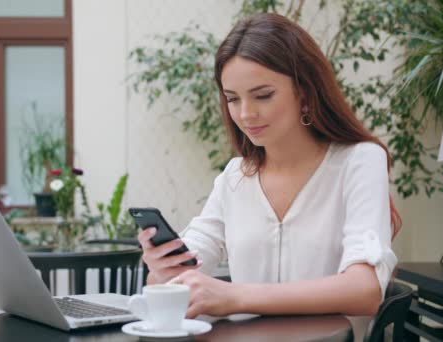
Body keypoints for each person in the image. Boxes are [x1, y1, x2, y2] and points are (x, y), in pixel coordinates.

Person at [137, 13, 401, 319]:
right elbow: (178, 275)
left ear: (304, 92)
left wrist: (235, 296)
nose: (246, 114)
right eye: (233, 99)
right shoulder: (235, 177)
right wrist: (161, 270)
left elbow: (364, 291)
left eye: (263, 95)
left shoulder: (359, 161)